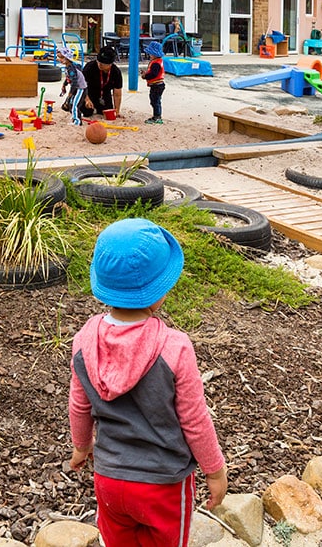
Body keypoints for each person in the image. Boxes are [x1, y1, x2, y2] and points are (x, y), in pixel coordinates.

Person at [68, 218, 228, 544]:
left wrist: (81, 447)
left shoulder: (84, 340)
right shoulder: (174, 347)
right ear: (160, 291)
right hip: (163, 485)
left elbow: (79, 404)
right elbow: (194, 420)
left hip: (110, 478)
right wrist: (214, 470)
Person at [83, 45, 123, 117]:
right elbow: (81, 86)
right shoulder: (89, 67)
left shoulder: (116, 72)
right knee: (87, 112)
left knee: (107, 112)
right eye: (99, 61)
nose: (100, 64)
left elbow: (117, 93)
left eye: (103, 63)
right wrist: (87, 99)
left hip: (104, 94)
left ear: (110, 64)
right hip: (88, 92)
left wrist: (117, 110)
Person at [57, 47, 89, 124]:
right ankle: (76, 116)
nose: (59, 59)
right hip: (77, 88)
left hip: (80, 88)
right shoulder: (68, 68)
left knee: (75, 104)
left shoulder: (71, 68)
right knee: (71, 103)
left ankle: (77, 121)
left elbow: (74, 82)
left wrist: (71, 92)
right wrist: (64, 85)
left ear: (67, 58)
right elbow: (69, 78)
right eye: (59, 57)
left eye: (61, 57)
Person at [141, 41, 166, 125]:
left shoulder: (156, 63)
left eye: (151, 53)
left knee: (155, 101)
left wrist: (145, 76)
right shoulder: (157, 61)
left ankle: (157, 117)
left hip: (157, 85)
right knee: (155, 101)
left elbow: (153, 74)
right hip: (157, 85)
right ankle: (156, 116)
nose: (150, 55)